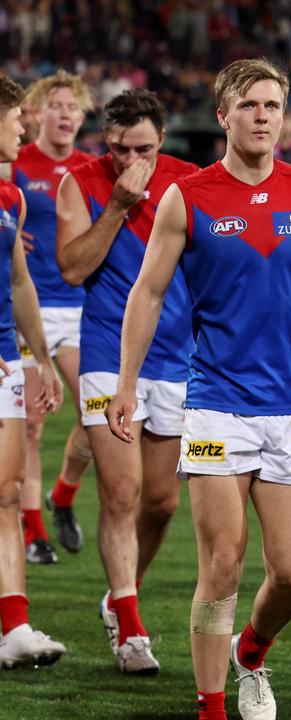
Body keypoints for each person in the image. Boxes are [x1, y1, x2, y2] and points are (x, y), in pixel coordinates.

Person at [106, 58, 291, 720]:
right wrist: (126, 384)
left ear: (285, 117)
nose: (263, 116)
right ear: (223, 116)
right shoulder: (191, 198)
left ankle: (252, 654)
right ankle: (214, 706)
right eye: (250, 105)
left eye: (273, 106)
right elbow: (147, 292)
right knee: (222, 565)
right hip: (216, 406)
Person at [55, 88, 199, 674]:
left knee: (162, 503)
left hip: (178, 357)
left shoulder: (191, 182)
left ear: (162, 140)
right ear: (105, 141)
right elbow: (71, 267)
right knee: (122, 493)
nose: (130, 159)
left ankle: (121, 596)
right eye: (118, 148)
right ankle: (132, 632)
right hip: (107, 356)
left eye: (142, 147)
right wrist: (116, 205)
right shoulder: (82, 183)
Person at [6, 71, 95, 562]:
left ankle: (62, 495)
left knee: (96, 412)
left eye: (73, 107)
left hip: (80, 308)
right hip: (31, 308)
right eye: (56, 105)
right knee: (34, 423)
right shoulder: (18, 162)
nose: (64, 114)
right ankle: (35, 531)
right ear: (37, 112)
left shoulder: (88, 168)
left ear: (82, 118)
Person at [0, 71, 67, 671]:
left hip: (5, 362)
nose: (23, 125)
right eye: (16, 116)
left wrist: (40, 358)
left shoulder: (10, 197)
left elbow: (20, 281)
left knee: (4, 493)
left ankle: (14, 626)